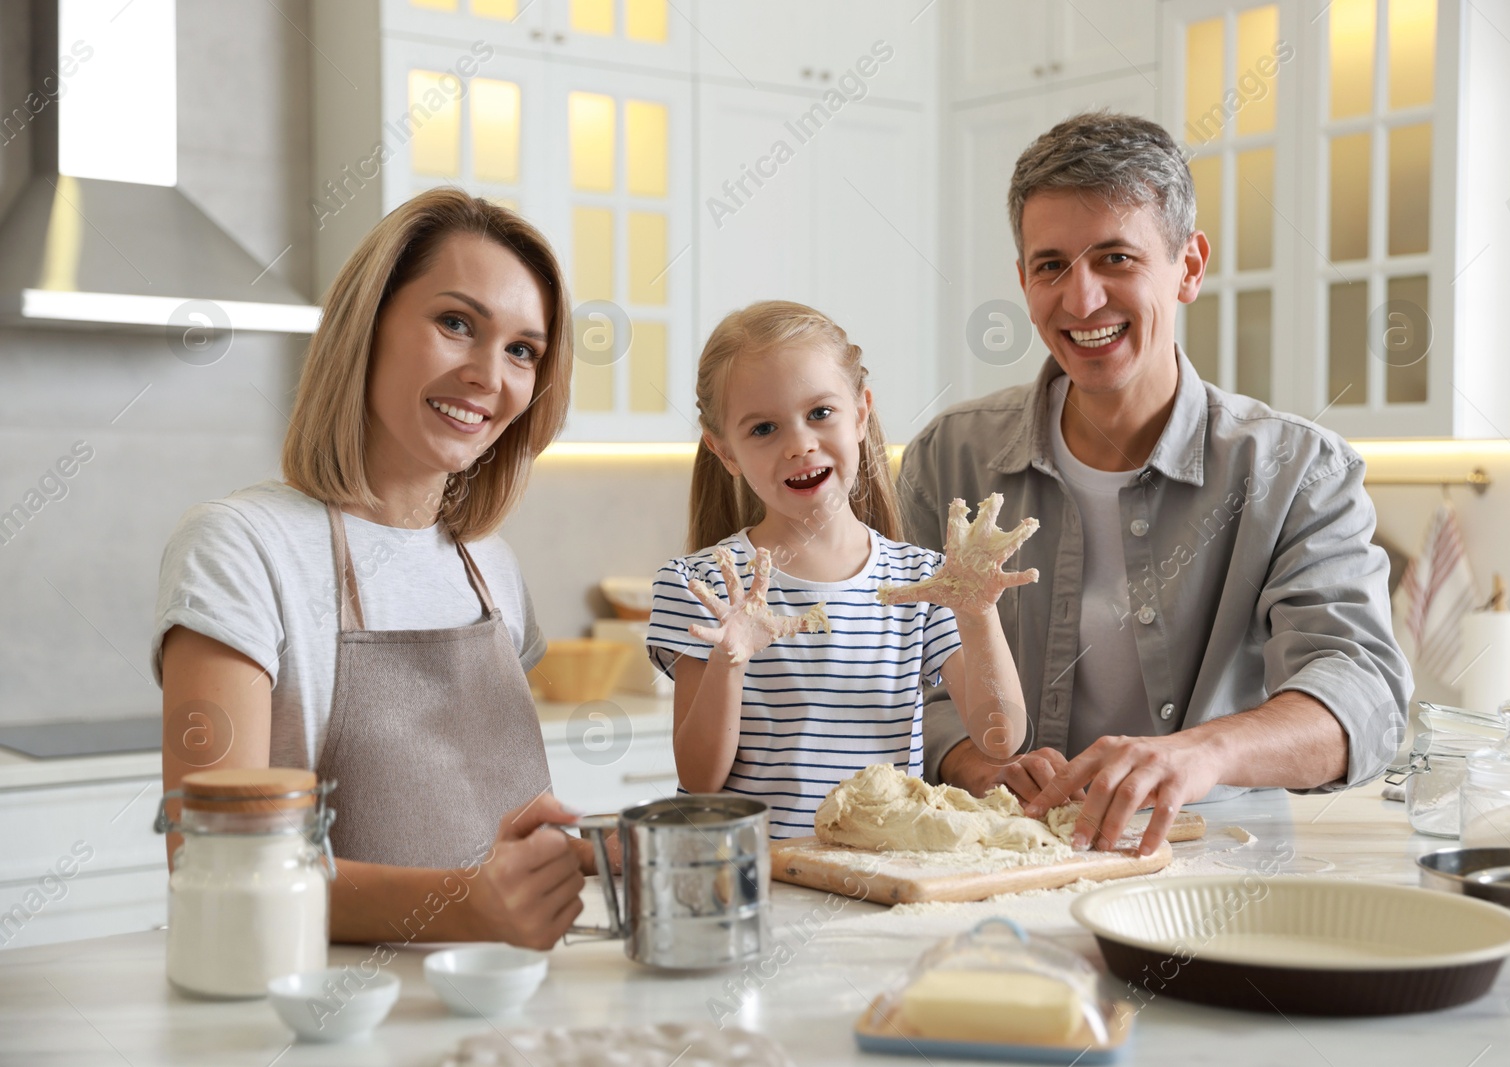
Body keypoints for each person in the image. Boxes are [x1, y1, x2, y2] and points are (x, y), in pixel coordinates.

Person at [899, 111, 1413, 855]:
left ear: (1190, 267)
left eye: (1115, 258)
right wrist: (975, 763)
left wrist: (1200, 753)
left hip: (1221, 869)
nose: (1080, 301)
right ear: (1023, 281)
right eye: (1051, 266)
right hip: (1000, 864)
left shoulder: (1300, 471)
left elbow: (1361, 693)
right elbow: (896, 671)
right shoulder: (950, 459)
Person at [153, 188, 595, 949]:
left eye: (523, 349)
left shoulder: (489, 564)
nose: (490, 375)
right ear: (370, 326)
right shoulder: (241, 548)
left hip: (504, 1007)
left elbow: (492, 835)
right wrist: (464, 905)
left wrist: (575, 861)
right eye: (457, 323)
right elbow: (211, 855)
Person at [645, 301, 1036, 836]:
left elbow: (1001, 740)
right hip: (762, 883)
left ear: (860, 412)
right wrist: (728, 661)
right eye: (763, 429)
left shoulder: (923, 584)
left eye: (820, 413)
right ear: (725, 451)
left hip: (886, 875)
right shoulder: (706, 584)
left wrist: (977, 616)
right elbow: (699, 778)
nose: (799, 444)